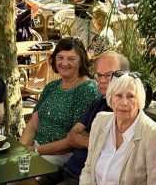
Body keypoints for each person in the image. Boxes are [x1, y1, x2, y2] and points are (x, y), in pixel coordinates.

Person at [10, 52, 128, 185]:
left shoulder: (123, 109)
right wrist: (92, 140)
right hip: (68, 168)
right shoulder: (98, 102)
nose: (103, 80)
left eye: (109, 75)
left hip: (84, 179)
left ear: (125, 76)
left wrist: (85, 138)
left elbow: (111, 146)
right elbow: (72, 135)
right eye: (99, 75)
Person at [78, 73, 156, 185]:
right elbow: (88, 168)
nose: (124, 102)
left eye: (130, 96)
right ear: (110, 98)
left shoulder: (154, 134)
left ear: (139, 101)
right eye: (119, 96)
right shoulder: (100, 121)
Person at [17, 38, 99, 169]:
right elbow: (33, 124)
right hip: (35, 149)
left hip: (62, 155)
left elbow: (75, 138)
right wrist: (20, 152)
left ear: (81, 61)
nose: (64, 63)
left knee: (20, 173)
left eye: (71, 59)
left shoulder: (87, 89)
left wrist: (36, 151)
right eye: (60, 57)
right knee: (4, 167)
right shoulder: (52, 86)